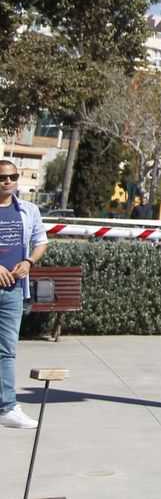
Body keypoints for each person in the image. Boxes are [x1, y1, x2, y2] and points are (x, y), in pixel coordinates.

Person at [0, 159, 49, 429]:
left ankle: (7, 407)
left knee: (7, 351)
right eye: (2, 177)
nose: (7, 181)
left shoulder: (28, 210)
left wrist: (29, 262)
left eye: (12, 177)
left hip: (13, 291)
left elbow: (41, 241)